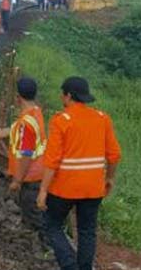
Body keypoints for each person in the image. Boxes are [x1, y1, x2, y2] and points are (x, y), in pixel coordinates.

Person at [37, 77, 122, 270]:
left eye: (62, 93)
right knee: (87, 230)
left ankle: (69, 265)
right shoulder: (102, 118)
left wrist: (43, 190)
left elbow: (52, 160)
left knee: (52, 224)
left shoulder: (61, 120)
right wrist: (109, 178)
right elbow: (114, 155)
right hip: (93, 188)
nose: (61, 96)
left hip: (63, 188)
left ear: (68, 96)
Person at [0, 77, 46, 236]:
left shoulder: (26, 124)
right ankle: (30, 240)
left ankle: (46, 251)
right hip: (34, 175)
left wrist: (17, 180)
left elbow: (26, 154)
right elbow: (9, 131)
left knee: (35, 217)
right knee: (28, 213)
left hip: (30, 178)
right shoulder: (34, 113)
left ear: (18, 97)